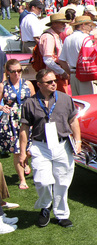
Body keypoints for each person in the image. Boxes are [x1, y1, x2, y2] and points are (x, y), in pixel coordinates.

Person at [19, 68, 82, 229]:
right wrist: (22, 151)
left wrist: (78, 140)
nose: (54, 84)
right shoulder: (30, 103)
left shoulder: (65, 99)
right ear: (39, 84)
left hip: (62, 145)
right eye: (49, 82)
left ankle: (61, 215)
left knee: (62, 182)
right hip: (41, 146)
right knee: (42, 180)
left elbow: (73, 121)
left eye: (54, 80)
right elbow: (24, 129)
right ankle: (46, 206)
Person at [0, 59, 35, 190]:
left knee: (29, 149)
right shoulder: (3, 86)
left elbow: (34, 100)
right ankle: (22, 179)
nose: (17, 74)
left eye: (19, 71)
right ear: (7, 72)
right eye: (13, 71)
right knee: (17, 150)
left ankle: (25, 161)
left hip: (27, 119)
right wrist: (2, 108)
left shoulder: (28, 84)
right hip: (12, 122)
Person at [60, 15, 97, 96]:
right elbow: (92, 57)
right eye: (89, 26)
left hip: (73, 74)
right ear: (83, 25)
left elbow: (62, 60)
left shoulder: (68, 39)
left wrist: (69, 72)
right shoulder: (85, 38)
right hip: (85, 74)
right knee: (89, 100)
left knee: (78, 102)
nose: (91, 28)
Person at [37, 12, 70, 95]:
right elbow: (48, 60)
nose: (64, 25)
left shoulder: (55, 35)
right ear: (54, 24)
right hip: (54, 75)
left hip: (56, 73)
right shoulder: (49, 37)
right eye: (62, 23)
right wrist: (62, 72)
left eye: (65, 23)